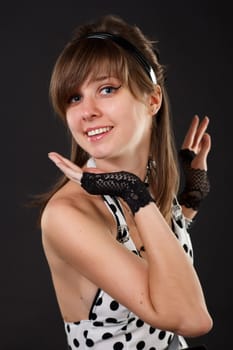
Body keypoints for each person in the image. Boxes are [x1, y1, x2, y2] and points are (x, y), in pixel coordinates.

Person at [40, 14, 213, 350]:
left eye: (106, 89)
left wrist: (188, 203)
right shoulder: (68, 214)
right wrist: (134, 194)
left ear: (152, 99)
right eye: (74, 97)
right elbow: (192, 318)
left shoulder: (141, 186)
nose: (86, 111)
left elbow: (153, 257)